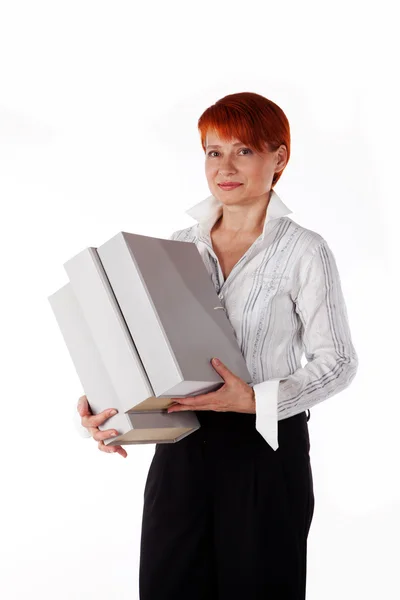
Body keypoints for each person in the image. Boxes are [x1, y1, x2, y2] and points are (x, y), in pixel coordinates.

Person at [76, 91, 359, 599]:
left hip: (266, 454)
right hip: (182, 451)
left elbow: (337, 362)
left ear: (278, 158)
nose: (225, 166)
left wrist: (253, 399)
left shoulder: (305, 251)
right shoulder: (177, 245)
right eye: (213, 151)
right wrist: (112, 416)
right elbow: (147, 357)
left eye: (244, 150)